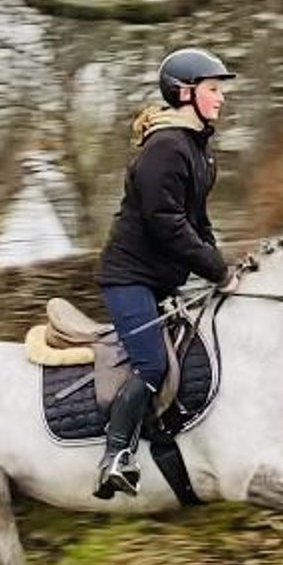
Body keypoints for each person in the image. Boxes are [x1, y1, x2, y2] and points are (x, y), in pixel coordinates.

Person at [93, 47, 238, 499]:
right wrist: (214, 268)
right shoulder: (167, 148)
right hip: (128, 278)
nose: (221, 99)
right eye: (214, 90)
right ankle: (115, 455)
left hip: (160, 279)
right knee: (153, 363)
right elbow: (165, 221)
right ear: (185, 93)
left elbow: (198, 223)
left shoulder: (198, 152)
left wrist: (224, 269)